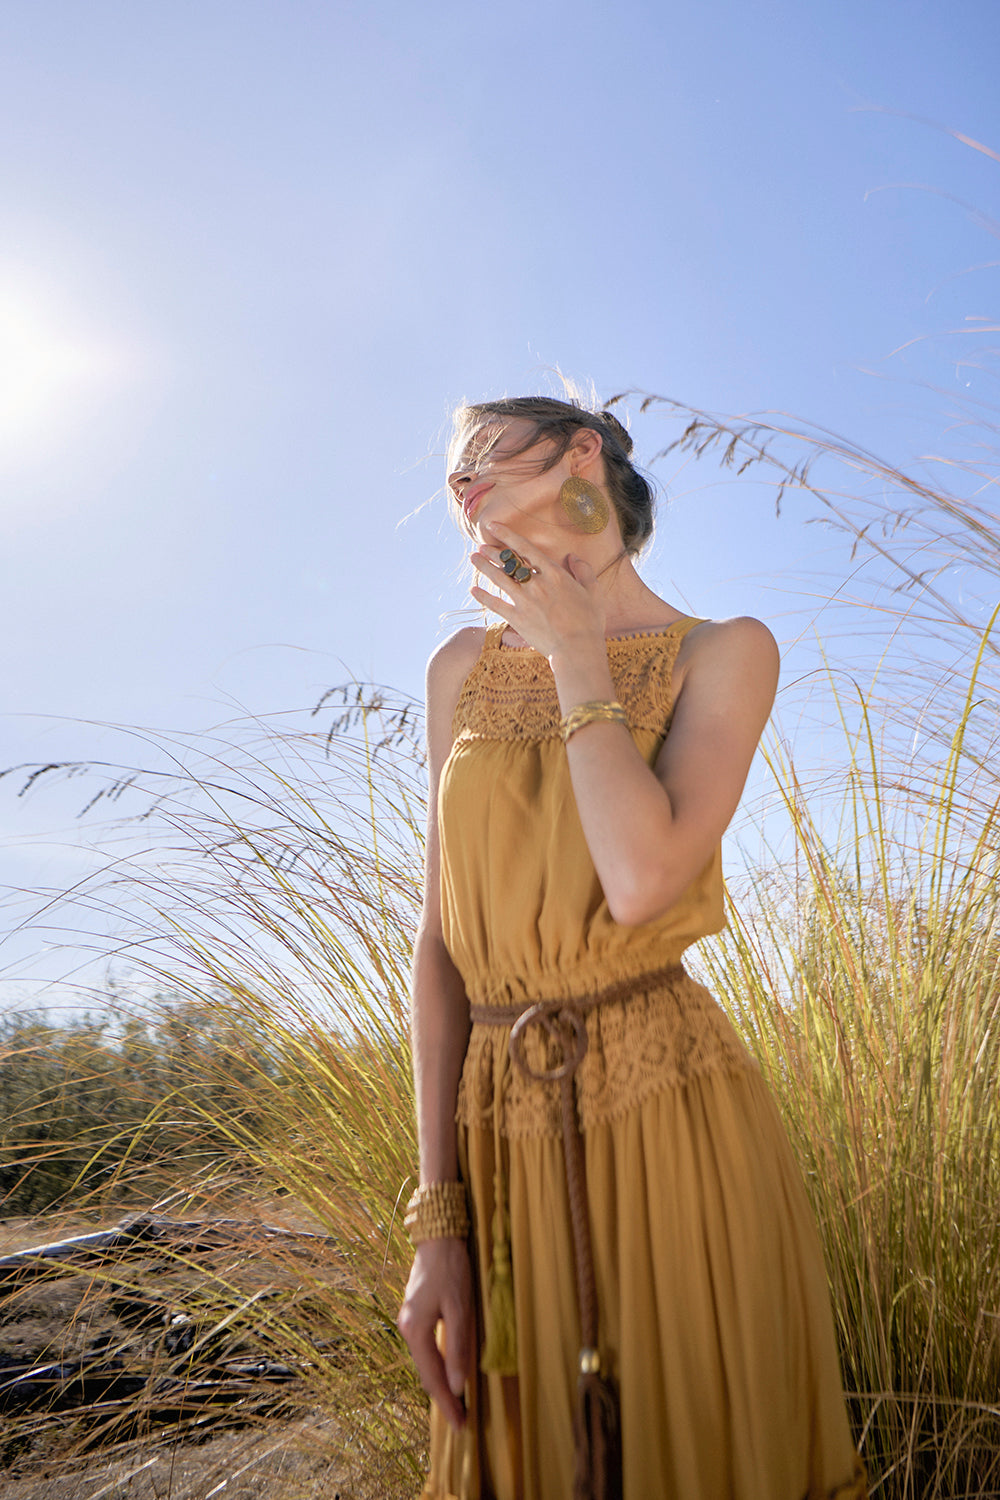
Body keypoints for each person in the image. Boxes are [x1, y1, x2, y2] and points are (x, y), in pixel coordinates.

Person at [397, 394, 866, 1500]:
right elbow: (438, 945)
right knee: (523, 1447)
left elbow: (644, 878)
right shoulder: (457, 668)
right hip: (498, 1124)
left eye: (484, 458)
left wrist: (575, 660)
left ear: (581, 455)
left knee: (686, 1441)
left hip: (671, 1117)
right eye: (450, 476)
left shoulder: (725, 652)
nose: (459, 486)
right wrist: (438, 1221)